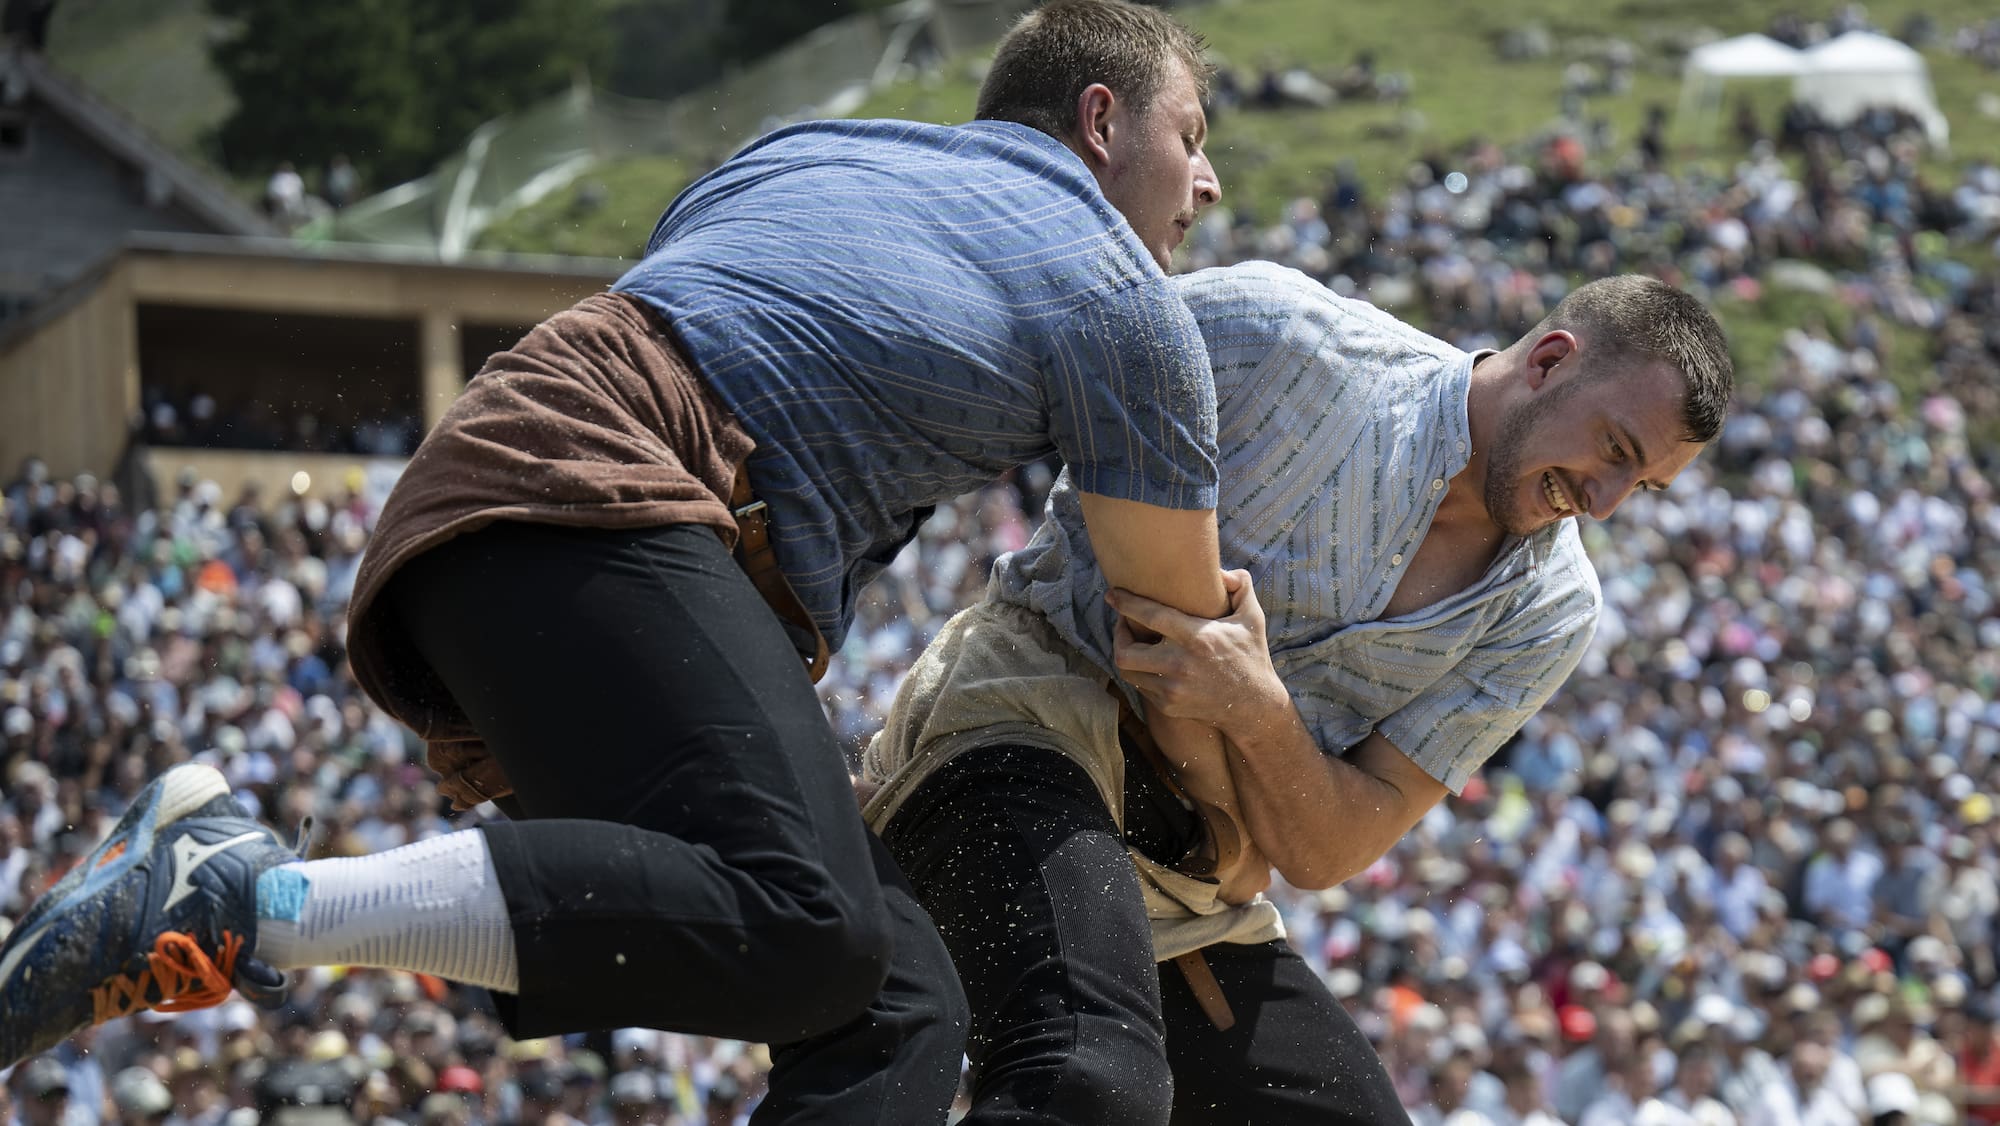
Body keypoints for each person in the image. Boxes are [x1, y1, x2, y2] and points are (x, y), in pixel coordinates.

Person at [0, 2, 1229, 1118]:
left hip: (508, 492)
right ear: (1099, 120)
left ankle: (237, 892)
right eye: (1190, 137)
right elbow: (1175, 649)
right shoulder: (1116, 297)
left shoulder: (808, 150)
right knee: (812, 922)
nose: (1210, 183)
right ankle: (245, 898)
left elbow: (691, 332)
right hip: (590, 491)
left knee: (890, 1000)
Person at [862, 261, 1732, 1123]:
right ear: (1549, 360)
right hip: (1024, 730)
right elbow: (1027, 347)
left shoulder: (1553, 608)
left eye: (1643, 486)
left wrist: (1253, 706)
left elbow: (1329, 852)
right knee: (1090, 1074)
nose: (1606, 503)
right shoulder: (1278, 338)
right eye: (1615, 450)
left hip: (1191, 885)